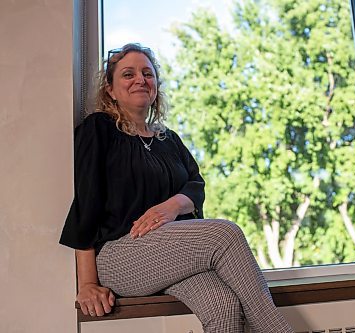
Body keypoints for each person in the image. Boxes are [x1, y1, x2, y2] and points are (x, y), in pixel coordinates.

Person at [59, 43, 294, 333]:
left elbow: (195, 184)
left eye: (147, 73)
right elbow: (86, 202)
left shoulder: (167, 140)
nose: (140, 80)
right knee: (224, 233)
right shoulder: (99, 129)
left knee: (223, 306)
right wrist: (88, 284)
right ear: (110, 89)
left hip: (167, 254)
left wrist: (174, 206)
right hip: (118, 255)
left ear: (156, 85)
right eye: (128, 74)